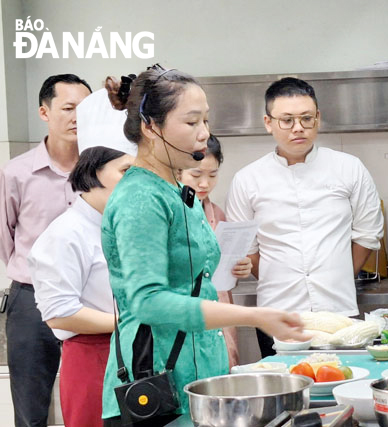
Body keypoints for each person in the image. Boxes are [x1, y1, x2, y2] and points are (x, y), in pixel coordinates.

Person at [101, 66, 307, 425]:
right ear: (151, 126)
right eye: (192, 122)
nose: (204, 134)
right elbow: (147, 301)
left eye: (206, 121)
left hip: (196, 379)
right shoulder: (140, 198)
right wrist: (253, 316)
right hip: (155, 385)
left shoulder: (179, 193)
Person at [225, 77, 384, 357]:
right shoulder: (247, 179)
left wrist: (340, 274)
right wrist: (280, 277)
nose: (298, 127)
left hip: (339, 314)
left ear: (318, 119)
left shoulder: (349, 168)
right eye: (286, 120)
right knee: (286, 392)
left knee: (340, 383)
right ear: (268, 122)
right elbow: (246, 249)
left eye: (306, 118)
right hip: (276, 313)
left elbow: (367, 235)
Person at [27, 87, 135, 427]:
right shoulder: (65, 234)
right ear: (93, 170)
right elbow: (60, 313)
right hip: (93, 359)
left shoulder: (128, 225)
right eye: (125, 172)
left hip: (138, 352)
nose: (135, 184)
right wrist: (130, 320)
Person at [0, 73, 91, 426]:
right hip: (31, 302)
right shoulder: (17, 173)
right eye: (68, 108)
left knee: (87, 404)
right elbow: (6, 238)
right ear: (44, 112)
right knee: (31, 409)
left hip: (90, 303)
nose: (76, 118)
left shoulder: (103, 170)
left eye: (84, 109)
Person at [179, 133, 243, 368]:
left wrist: (239, 267)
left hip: (220, 310)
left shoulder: (218, 214)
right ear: (178, 171)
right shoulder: (169, 212)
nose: (204, 183)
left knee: (224, 372)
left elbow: (224, 272)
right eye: (196, 175)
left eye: (213, 175)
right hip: (188, 313)